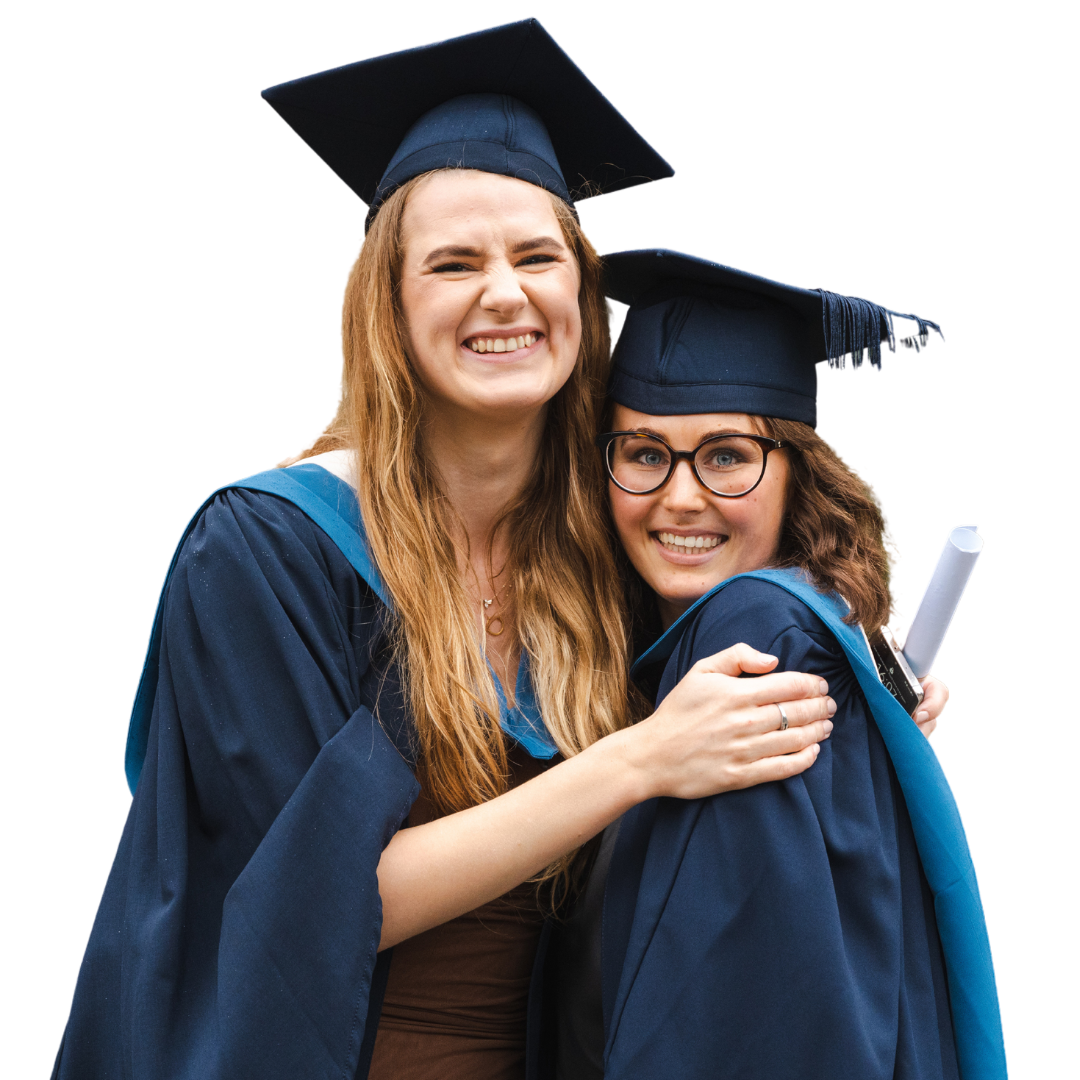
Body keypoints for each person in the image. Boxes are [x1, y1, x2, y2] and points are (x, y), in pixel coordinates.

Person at [51, 23, 852, 1080]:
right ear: (387, 304)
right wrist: (638, 759)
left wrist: (853, 689)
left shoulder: (597, 554)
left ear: (580, 290)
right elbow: (300, 910)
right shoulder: (272, 548)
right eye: (454, 263)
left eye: (536, 256)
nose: (504, 294)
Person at [542, 248, 1005, 1080]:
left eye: (726, 456)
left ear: (798, 474)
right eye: (644, 453)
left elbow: (742, 1012)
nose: (680, 496)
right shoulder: (654, 653)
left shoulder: (761, 642)